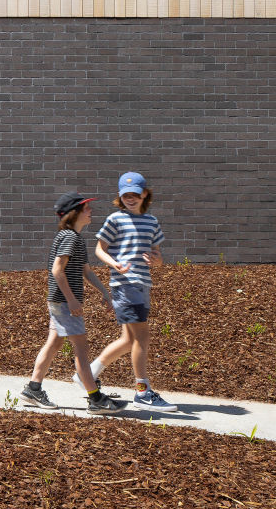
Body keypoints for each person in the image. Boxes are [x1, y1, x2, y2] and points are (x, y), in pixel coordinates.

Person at [21, 191, 128, 412]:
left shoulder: (76, 238)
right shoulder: (69, 237)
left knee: (54, 343)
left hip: (60, 301)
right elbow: (57, 270)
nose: (90, 211)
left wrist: (104, 293)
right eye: (86, 208)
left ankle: (33, 388)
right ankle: (96, 399)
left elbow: (85, 271)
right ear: (74, 214)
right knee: (81, 348)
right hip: (64, 302)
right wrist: (71, 300)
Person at [83, 170, 178, 412]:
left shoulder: (152, 222)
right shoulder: (115, 219)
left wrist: (157, 261)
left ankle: (87, 373)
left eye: (136, 194)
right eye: (126, 195)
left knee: (128, 340)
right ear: (119, 196)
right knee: (141, 338)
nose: (131, 198)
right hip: (125, 284)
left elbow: (158, 257)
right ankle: (142, 392)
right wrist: (113, 263)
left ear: (145, 194)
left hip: (142, 284)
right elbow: (99, 249)